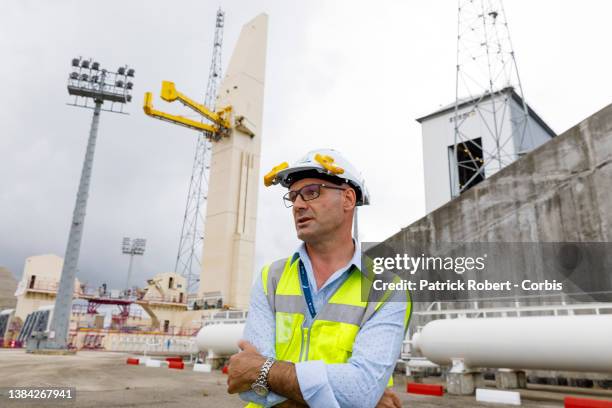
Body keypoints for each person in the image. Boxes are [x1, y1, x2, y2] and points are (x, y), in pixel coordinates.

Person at [227, 149, 411, 407]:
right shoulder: (271, 278)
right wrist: (348, 399)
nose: (299, 205)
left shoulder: (387, 289)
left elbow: (360, 389)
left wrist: (265, 374)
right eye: (293, 196)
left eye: (312, 191)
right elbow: (245, 383)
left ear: (348, 199)